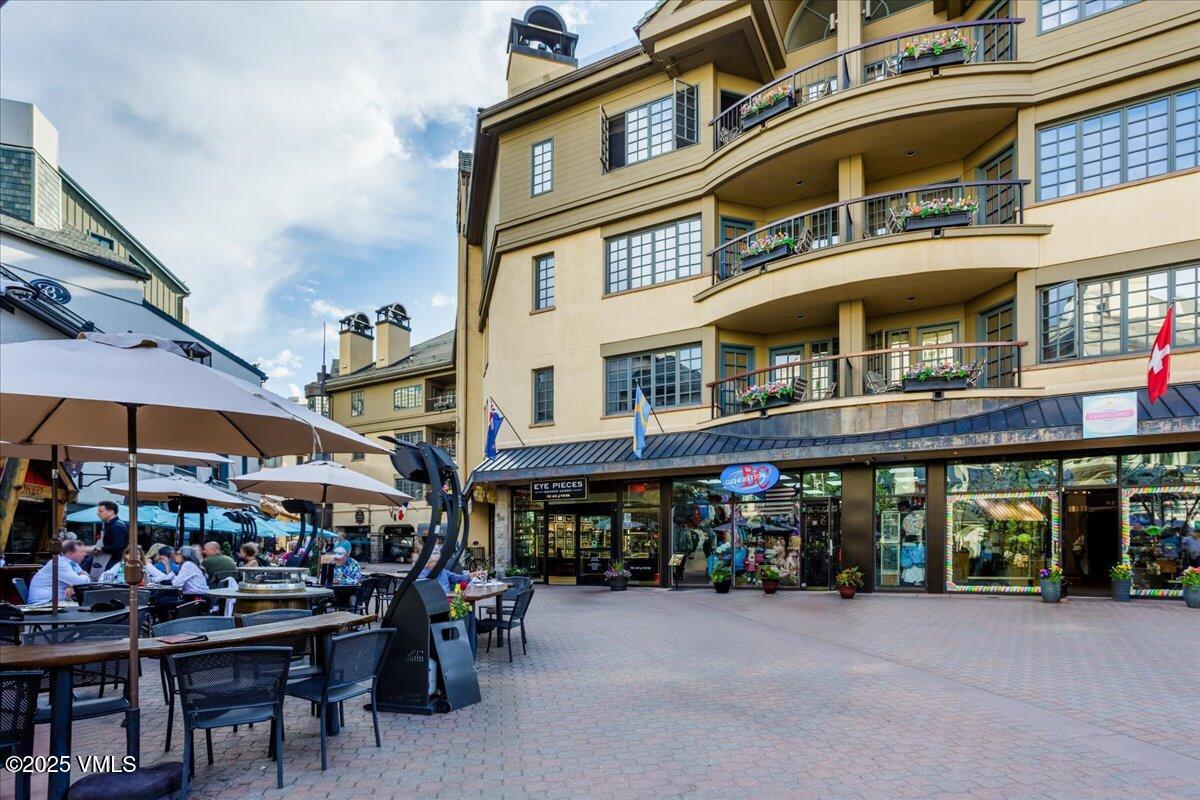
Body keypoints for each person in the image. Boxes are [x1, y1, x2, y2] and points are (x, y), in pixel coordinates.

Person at [27, 539, 92, 604]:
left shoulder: (72, 562)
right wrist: (82, 577)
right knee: (87, 605)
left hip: (54, 601)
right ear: (70, 553)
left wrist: (71, 585)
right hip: (43, 602)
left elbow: (80, 577)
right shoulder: (60, 563)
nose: (85, 554)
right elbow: (81, 582)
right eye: (81, 552)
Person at [417, 547, 482, 593]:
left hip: (448, 601)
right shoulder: (422, 574)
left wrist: (474, 574)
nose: (439, 563)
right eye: (436, 561)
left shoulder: (443, 571)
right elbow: (424, 590)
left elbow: (460, 578)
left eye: (439, 560)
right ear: (428, 562)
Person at [92, 500, 128, 580]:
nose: (98, 513)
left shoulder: (117, 526)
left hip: (114, 561)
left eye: (101, 511)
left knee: (107, 581)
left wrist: (101, 549)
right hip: (109, 559)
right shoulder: (111, 525)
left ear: (111, 511)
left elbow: (119, 546)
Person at [100, 545, 165, 585]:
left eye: (138, 554)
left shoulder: (146, 564)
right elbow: (105, 575)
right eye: (132, 554)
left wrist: (150, 579)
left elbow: (163, 577)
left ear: (141, 555)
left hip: (142, 591)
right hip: (123, 590)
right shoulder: (121, 565)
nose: (135, 556)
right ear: (126, 555)